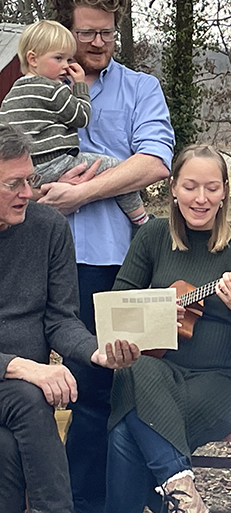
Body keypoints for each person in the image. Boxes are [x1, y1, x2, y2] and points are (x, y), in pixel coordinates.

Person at [46, 0, 175, 512]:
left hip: (126, 264)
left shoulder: (140, 87)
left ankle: (119, 499)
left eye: (107, 32)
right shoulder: (37, 86)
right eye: (87, 32)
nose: (98, 42)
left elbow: (154, 162)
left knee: (126, 386)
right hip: (52, 263)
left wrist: (79, 194)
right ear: (63, 30)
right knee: (72, 392)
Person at [104, 144, 231, 513]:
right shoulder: (152, 237)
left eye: (212, 187)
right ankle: (182, 492)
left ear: (225, 190)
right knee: (138, 370)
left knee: (125, 434)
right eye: (191, 186)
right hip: (159, 373)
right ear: (173, 189)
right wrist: (156, 315)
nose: (201, 198)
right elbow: (119, 310)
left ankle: (176, 495)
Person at [0, 127, 139, 513]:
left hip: (20, 391)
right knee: (30, 398)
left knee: (7, 452)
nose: (29, 192)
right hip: (22, 388)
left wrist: (98, 352)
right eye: (14, 184)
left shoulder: (48, 228)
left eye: (30, 179)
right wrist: (19, 366)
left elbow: (61, 319)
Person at [0, 19, 149, 226]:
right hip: (59, 162)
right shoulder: (53, 89)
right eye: (58, 58)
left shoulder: (12, 94)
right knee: (116, 168)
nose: (66, 66)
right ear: (33, 59)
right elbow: (81, 117)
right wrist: (80, 86)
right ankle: (141, 220)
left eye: (68, 59)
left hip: (30, 173)